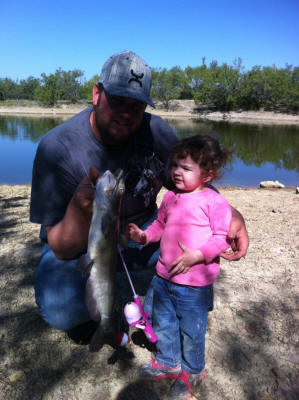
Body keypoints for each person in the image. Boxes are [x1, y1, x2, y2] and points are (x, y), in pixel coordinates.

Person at [30, 50, 248, 344]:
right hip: (85, 246)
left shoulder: (154, 130)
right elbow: (61, 247)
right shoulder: (56, 148)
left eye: (137, 106)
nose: (127, 113)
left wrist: (233, 216)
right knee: (59, 308)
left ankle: (169, 304)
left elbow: (193, 181)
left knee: (200, 240)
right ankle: (111, 304)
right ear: (97, 94)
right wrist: (80, 213)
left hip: (146, 233)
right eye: (118, 101)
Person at [126, 135, 234, 399]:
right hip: (163, 277)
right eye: (175, 165)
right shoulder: (170, 198)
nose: (176, 172)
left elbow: (222, 239)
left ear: (207, 175)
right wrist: (144, 236)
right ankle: (168, 361)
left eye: (186, 168)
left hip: (194, 286)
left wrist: (196, 255)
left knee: (191, 331)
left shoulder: (214, 202)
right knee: (163, 322)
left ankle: (194, 370)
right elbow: (160, 226)